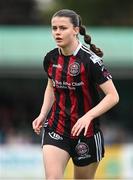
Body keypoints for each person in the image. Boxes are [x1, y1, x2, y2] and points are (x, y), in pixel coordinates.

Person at [32, 9, 119, 180]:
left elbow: (113, 96)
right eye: (54, 28)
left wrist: (88, 116)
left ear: (76, 30)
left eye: (63, 28)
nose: (57, 32)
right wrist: (43, 114)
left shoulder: (90, 61)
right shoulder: (50, 59)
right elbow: (51, 86)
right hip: (56, 128)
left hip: (86, 133)